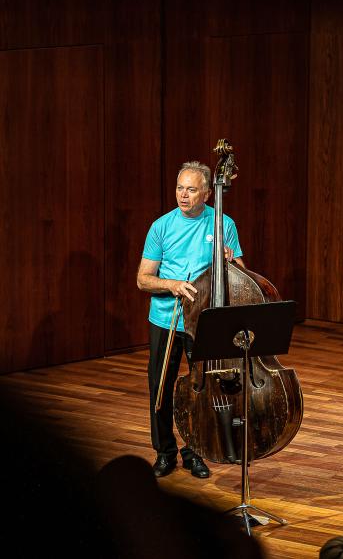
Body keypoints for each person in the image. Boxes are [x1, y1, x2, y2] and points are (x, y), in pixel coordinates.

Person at [136, 161, 244, 479]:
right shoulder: (161, 226)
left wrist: (231, 260)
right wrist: (172, 285)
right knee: (161, 388)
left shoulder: (224, 223)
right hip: (165, 319)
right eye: (180, 188)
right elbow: (143, 279)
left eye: (191, 189)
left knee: (202, 389)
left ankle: (194, 451)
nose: (183, 195)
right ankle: (165, 451)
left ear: (208, 193)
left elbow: (241, 274)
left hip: (205, 320)